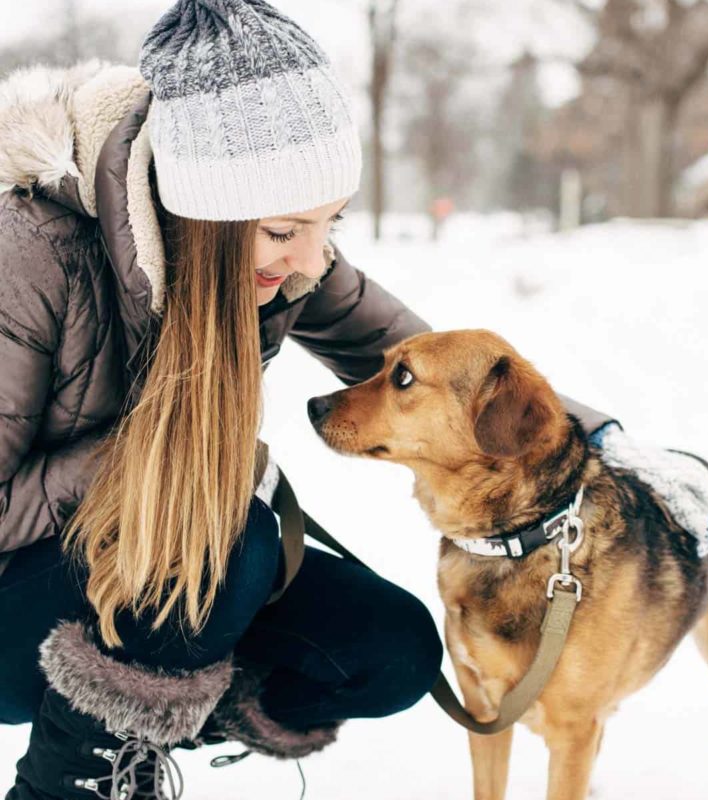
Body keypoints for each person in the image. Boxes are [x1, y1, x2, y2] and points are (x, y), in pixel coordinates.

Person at [0, 1, 443, 797]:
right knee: (231, 537)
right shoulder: (27, 251)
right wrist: (145, 465)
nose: (312, 258)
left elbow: (423, 363)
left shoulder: (276, 260)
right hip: (15, 601)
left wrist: (580, 442)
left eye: (328, 224)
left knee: (392, 647)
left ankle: (147, 706)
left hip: (157, 576)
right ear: (204, 209)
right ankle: (77, 780)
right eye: (284, 231)